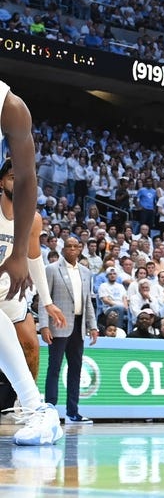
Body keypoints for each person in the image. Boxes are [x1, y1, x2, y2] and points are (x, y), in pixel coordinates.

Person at [0, 81, 64, 445]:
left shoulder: (10, 107)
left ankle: (34, 406)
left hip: (12, 280)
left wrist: (20, 256)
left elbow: (27, 178)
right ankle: (36, 405)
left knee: (29, 342)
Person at [0, 158, 64, 413]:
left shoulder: (33, 219)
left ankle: (21, 406)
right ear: (2, 181)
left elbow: (34, 258)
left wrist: (47, 302)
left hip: (11, 293)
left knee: (30, 345)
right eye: (14, 178)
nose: (20, 183)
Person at [40, 236, 98, 425]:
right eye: (69, 246)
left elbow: (88, 301)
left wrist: (93, 326)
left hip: (79, 325)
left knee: (76, 369)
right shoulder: (51, 269)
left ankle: (73, 412)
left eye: (76, 246)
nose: (72, 249)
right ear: (63, 249)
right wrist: (44, 326)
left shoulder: (86, 272)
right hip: (58, 325)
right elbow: (44, 300)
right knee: (54, 368)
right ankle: (50, 411)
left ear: (80, 249)